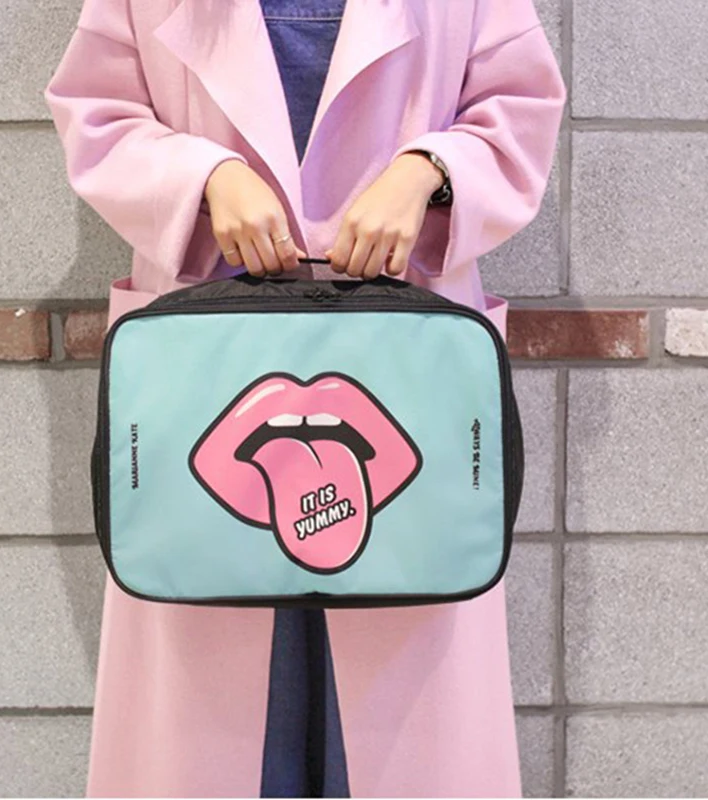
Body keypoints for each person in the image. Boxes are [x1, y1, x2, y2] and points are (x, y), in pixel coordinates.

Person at [45, 0, 566, 796]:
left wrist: (429, 171)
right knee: (216, 698)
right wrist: (202, 177)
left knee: (405, 678)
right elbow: (95, 111)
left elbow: (521, 105)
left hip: (400, 371)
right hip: (214, 379)